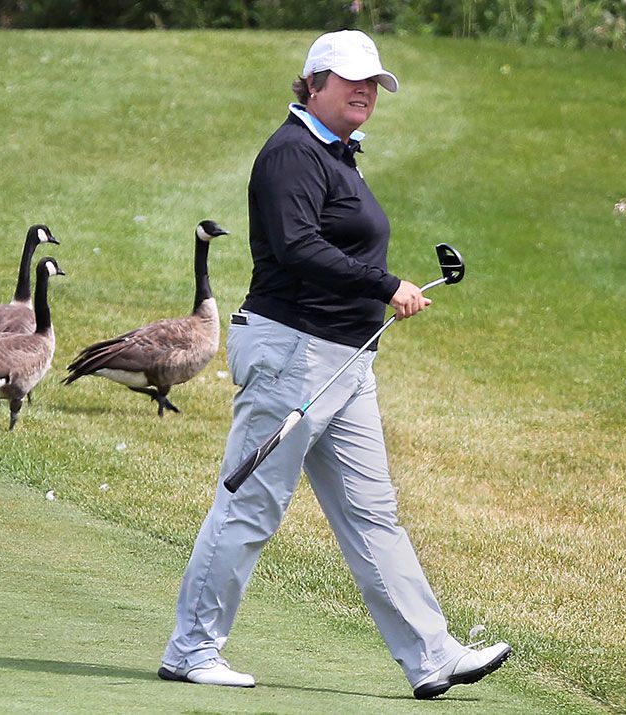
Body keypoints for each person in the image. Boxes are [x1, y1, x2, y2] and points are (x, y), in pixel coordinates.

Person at [157, 30, 512, 700]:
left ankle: (431, 654)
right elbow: (296, 247)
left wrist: (377, 292)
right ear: (312, 82)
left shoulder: (338, 155)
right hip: (294, 350)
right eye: (350, 79)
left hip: (345, 361)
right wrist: (384, 284)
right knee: (252, 504)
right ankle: (190, 649)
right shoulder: (292, 153)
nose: (364, 91)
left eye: (373, 82)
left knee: (374, 514)